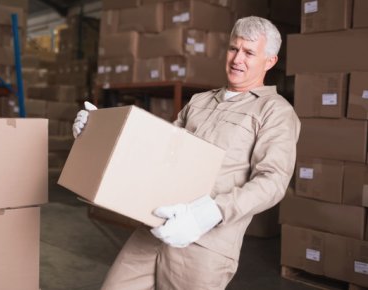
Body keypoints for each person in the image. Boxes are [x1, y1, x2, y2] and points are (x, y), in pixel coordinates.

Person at [72, 16, 300, 290]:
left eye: (249, 52)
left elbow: (272, 182)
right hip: (154, 225)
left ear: (270, 61)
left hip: (205, 243)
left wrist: (207, 214)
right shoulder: (199, 101)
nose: (237, 58)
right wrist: (99, 133)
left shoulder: (275, 112)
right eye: (233, 48)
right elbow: (159, 150)